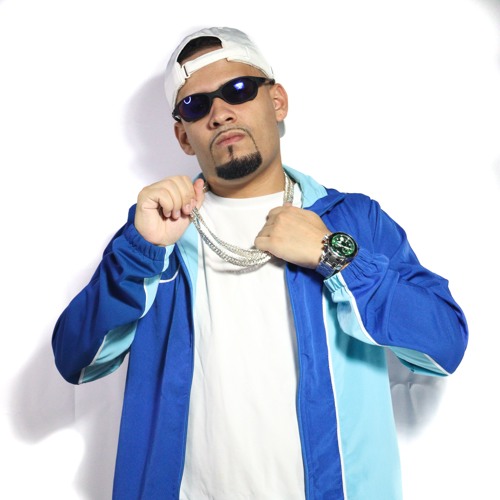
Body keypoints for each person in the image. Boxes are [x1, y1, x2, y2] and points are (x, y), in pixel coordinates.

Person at [52, 27, 468, 500]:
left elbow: (444, 345)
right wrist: (139, 253)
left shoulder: (352, 220)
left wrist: (334, 255)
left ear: (277, 101)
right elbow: (75, 360)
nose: (220, 112)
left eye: (238, 89)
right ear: (182, 135)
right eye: (196, 105)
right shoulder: (155, 232)